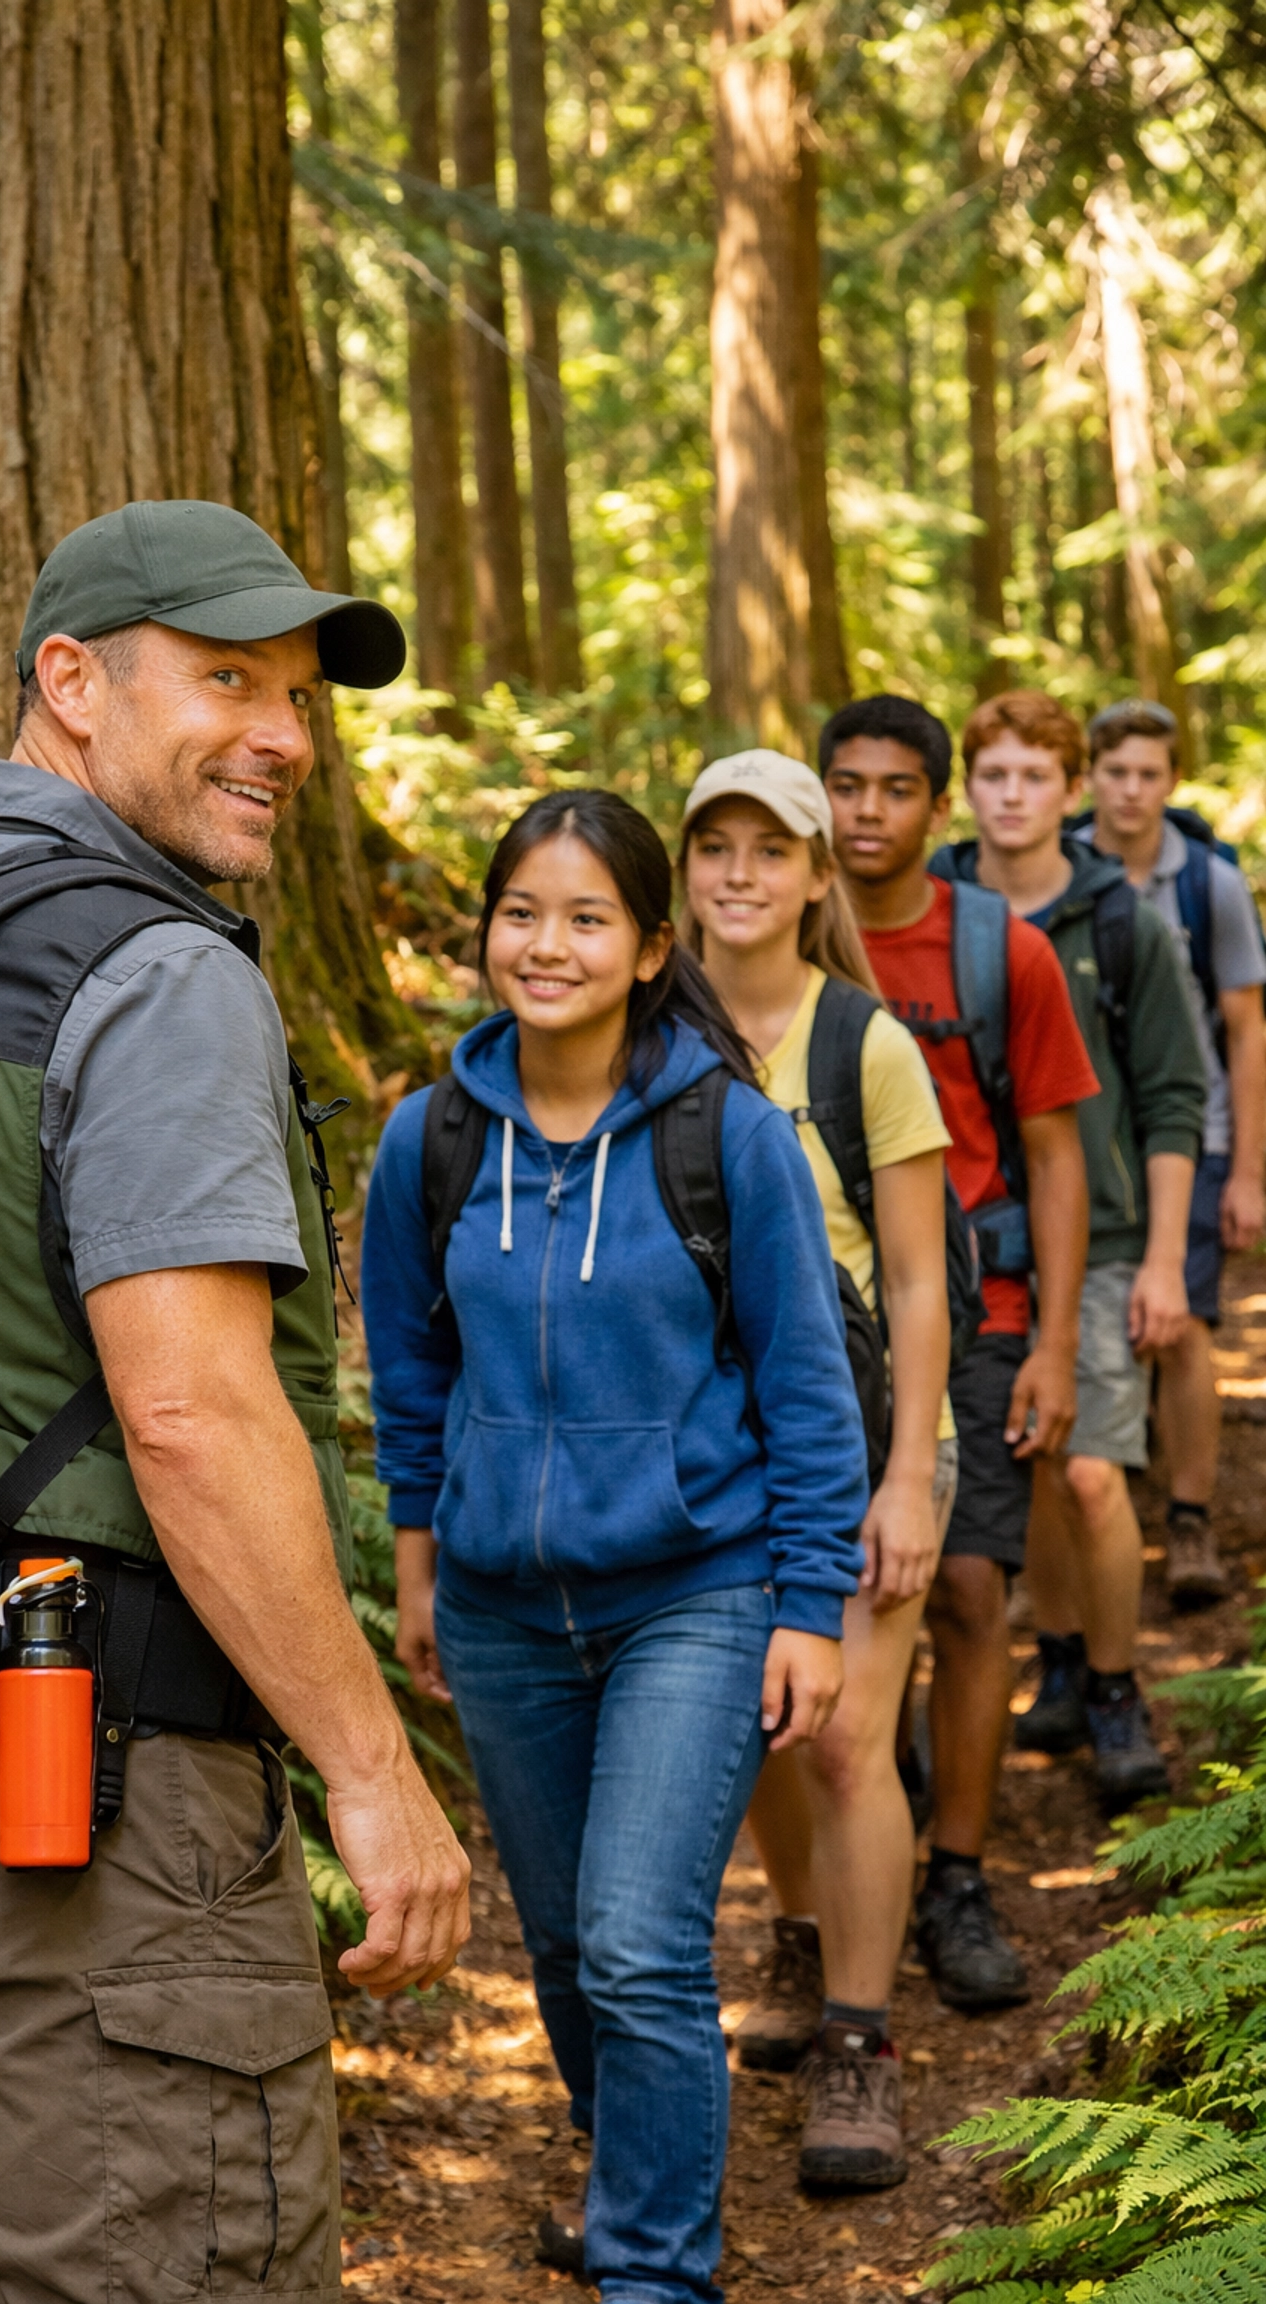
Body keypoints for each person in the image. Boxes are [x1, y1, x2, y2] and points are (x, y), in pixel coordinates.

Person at [0, 500, 471, 2303]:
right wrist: (372, 1771)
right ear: (69, 682)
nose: (288, 739)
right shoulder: (149, 967)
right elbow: (193, 1412)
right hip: (78, 1783)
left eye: (302, 696)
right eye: (228, 679)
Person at [362, 789, 870, 2303]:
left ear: (653, 947)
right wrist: (418, 1566)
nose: (548, 944)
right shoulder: (430, 1138)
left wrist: (812, 1603)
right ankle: (632, 2156)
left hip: (696, 1595)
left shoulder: (730, 1134)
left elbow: (804, 1386)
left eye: (588, 918)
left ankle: (655, 2267)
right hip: (507, 1614)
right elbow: (408, 1374)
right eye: (523, 912)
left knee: (644, 1944)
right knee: (576, 1957)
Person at [676, 750, 954, 2192]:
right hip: (714, 1453)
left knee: (845, 1732)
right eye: (713, 845)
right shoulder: (647, 1027)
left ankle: (859, 2037)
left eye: (768, 850)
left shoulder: (866, 1049)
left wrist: (910, 1479)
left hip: (859, 1440)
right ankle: (796, 1934)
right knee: (766, 1720)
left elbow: (916, 1283)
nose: (739, 873)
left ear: (811, 875)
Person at [819, 694, 1097, 2010]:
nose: (866, 811)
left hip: (972, 1308)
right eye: (846, 785)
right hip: (809, 1321)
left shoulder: (1000, 951)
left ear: (936, 808)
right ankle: (850, 1848)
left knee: (973, 1590)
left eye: (893, 788)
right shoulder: (775, 937)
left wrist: (1052, 1344)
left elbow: (1053, 1153)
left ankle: (960, 1875)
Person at [931, 689, 1207, 1812]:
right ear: (967, 789)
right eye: (991, 776)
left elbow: (1175, 1096)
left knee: (1093, 1470)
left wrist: (1164, 1262)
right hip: (967, 1238)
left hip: (1100, 1233)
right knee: (1031, 1461)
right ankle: (1055, 1658)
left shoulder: (1121, 920)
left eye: (1033, 777)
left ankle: (1113, 1684)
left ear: (1071, 789)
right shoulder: (931, 908)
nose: (1011, 797)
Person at [1077, 699, 1266, 1605]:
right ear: (1091, 777)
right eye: (1116, 772)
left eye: (1149, 774)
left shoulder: (1209, 883)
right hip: (1086, 1139)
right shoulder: (1060, 866)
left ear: (1172, 781)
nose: (1132, 791)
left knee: (1185, 1323)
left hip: (1200, 1132)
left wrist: (1251, 1174)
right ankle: (1101, 1502)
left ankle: (1189, 1523)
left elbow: (1246, 1030)